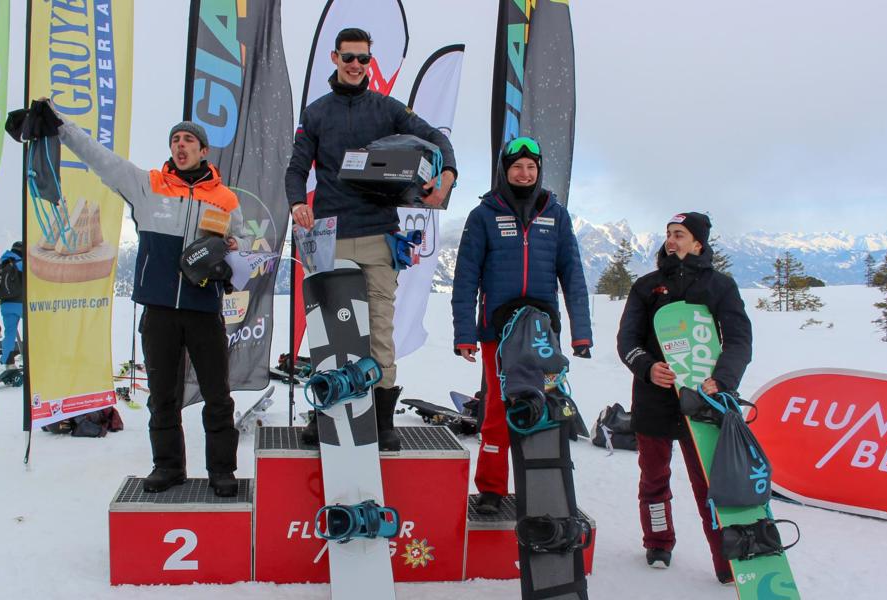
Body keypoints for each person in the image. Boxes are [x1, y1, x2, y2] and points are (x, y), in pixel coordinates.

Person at [44, 100, 250, 497]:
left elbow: (238, 245)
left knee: (217, 397)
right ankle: (168, 467)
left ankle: (222, 471)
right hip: (159, 312)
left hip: (204, 311)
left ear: (203, 151)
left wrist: (231, 259)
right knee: (163, 397)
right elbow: (99, 158)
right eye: (175, 139)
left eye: (189, 139)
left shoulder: (225, 199)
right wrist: (61, 127)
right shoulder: (148, 185)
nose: (181, 144)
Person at [286, 27, 457, 451]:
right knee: (329, 333)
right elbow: (295, 170)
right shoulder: (317, 112)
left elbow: (437, 139)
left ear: (370, 61)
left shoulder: (387, 108)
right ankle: (326, 415)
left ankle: (381, 422)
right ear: (335, 57)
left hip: (380, 237)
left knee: (380, 331)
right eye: (349, 57)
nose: (356, 65)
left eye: (363, 59)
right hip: (331, 237)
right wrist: (295, 203)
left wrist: (447, 176)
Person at [451, 136, 593, 514]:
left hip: (543, 333)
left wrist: (581, 333)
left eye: (531, 167)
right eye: (517, 167)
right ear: (504, 170)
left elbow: (573, 276)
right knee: (498, 410)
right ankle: (492, 489)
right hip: (498, 332)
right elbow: (465, 279)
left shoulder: (556, 215)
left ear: (539, 170)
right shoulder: (484, 215)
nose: (525, 173)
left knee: (545, 407)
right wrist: (464, 333)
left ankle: (543, 484)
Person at [615, 212, 752, 583]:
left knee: (709, 483)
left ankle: (726, 561)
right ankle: (658, 541)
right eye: (668, 234)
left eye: (680, 234)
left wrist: (722, 380)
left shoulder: (720, 287)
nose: (671, 240)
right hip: (654, 398)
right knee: (654, 477)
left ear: (698, 243)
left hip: (703, 401)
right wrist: (646, 366)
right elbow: (627, 340)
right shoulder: (647, 286)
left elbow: (739, 340)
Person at [0, 242, 25, 367]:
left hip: (5, 305)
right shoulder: (21, 264)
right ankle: (34, 357)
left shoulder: (2, 265)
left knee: (9, 333)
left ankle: (8, 362)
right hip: (21, 303)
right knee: (34, 330)